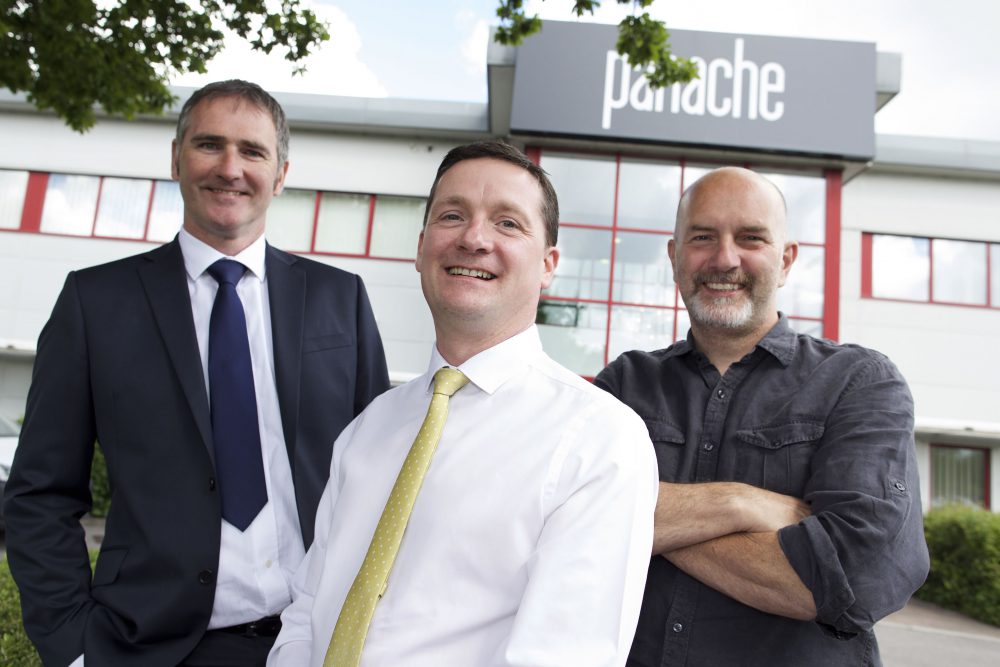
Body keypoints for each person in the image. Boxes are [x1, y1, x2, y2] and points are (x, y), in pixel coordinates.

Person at [3, 80, 390, 667]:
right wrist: (75, 649)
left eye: (253, 151)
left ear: (280, 175)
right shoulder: (96, 302)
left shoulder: (341, 298)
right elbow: (40, 494)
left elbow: (380, 478)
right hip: (152, 647)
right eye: (210, 145)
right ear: (176, 159)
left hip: (314, 641)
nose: (230, 168)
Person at [267, 141, 658, 667]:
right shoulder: (368, 428)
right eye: (452, 216)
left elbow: (561, 655)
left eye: (508, 223)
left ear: (547, 265)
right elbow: (307, 611)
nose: (474, 239)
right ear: (421, 247)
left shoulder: (599, 438)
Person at [594, 166, 929, 666]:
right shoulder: (625, 384)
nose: (724, 259)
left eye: (750, 238)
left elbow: (859, 576)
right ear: (674, 257)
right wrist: (739, 503)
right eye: (703, 237)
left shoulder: (858, 382)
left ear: (786, 259)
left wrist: (629, 523)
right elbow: (558, 522)